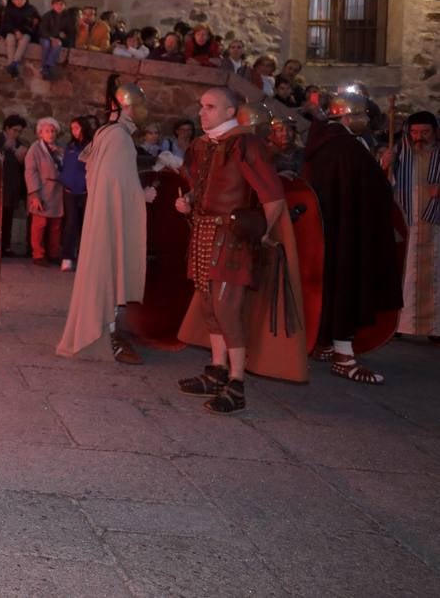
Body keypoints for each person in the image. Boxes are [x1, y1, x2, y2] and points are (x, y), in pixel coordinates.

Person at [173, 87, 286, 414]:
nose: (202, 112)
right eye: (201, 105)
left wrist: (260, 234)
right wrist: (188, 201)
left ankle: (237, 383)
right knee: (209, 307)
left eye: (210, 107)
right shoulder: (201, 145)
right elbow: (202, 187)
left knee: (227, 309)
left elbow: (273, 198)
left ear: (229, 112)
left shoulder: (245, 144)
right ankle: (217, 370)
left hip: (232, 237)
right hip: (203, 233)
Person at [303, 91, 404, 384]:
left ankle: (326, 344)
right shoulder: (345, 147)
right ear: (347, 116)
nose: (366, 121)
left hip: (330, 229)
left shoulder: (326, 142)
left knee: (332, 285)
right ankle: (343, 356)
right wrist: (382, 172)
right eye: (362, 116)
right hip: (345, 230)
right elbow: (371, 189)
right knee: (346, 286)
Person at [57, 83, 156, 363]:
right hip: (109, 216)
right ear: (127, 107)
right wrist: (143, 195)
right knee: (109, 268)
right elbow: (115, 182)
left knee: (111, 268)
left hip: (106, 213)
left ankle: (110, 331)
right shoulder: (118, 138)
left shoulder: (109, 133)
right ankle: (106, 335)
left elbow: (106, 175)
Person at [381, 111, 439, 340]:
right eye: (415, 132)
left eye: (425, 132)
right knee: (406, 276)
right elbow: (384, 185)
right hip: (409, 225)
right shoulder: (399, 154)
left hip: (436, 227)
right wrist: (385, 165)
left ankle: (436, 328)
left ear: (435, 133)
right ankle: (402, 325)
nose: (419, 137)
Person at [24, 117, 65, 267]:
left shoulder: (60, 149)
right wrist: (34, 194)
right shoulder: (35, 149)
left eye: (53, 131)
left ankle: (53, 253)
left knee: (56, 224)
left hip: (57, 191)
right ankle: (38, 254)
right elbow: (30, 171)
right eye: (47, 131)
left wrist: (61, 154)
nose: (51, 134)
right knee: (39, 224)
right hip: (42, 190)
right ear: (40, 133)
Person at [60, 116, 93, 272]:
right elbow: (67, 165)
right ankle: (67, 257)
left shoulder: (91, 145)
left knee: (87, 225)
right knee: (70, 223)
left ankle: (86, 258)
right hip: (70, 190)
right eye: (72, 128)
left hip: (86, 190)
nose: (74, 131)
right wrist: (65, 181)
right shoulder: (70, 145)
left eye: (77, 128)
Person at [0, 114, 28, 257]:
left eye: (19, 131)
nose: (17, 134)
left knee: (8, 217)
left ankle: (5, 246)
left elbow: (22, 161)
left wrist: (14, 149)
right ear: (7, 128)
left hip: (12, 186)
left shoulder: (19, 143)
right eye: (14, 130)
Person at [0, 0, 39, 78]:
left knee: (25, 39)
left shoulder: (31, 9)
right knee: (10, 38)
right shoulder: (9, 10)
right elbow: (6, 24)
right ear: (13, 0)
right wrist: (15, 31)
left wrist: (23, 31)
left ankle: (15, 62)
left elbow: (33, 25)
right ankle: (12, 64)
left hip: (26, 33)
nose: (19, 1)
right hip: (12, 32)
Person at [37, 0, 73, 80]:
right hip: (46, 37)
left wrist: (64, 35)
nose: (59, 6)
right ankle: (45, 68)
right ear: (53, 5)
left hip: (59, 39)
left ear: (65, 5)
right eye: (57, 4)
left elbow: (70, 31)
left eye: (61, 4)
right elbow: (42, 30)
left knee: (57, 44)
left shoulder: (68, 17)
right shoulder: (47, 16)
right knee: (46, 45)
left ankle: (47, 66)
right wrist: (51, 38)